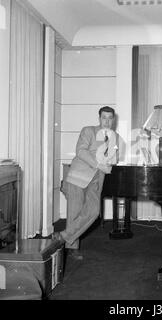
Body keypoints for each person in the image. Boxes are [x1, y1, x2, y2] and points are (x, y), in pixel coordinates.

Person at [53, 106, 122, 259]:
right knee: (74, 212)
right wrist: (99, 164)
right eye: (104, 117)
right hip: (79, 176)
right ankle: (72, 249)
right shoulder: (88, 131)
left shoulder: (114, 137)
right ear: (99, 118)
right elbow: (81, 151)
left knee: (93, 211)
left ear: (113, 120)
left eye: (110, 118)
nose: (107, 121)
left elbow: (114, 159)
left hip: (97, 180)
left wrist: (112, 157)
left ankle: (63, 236)